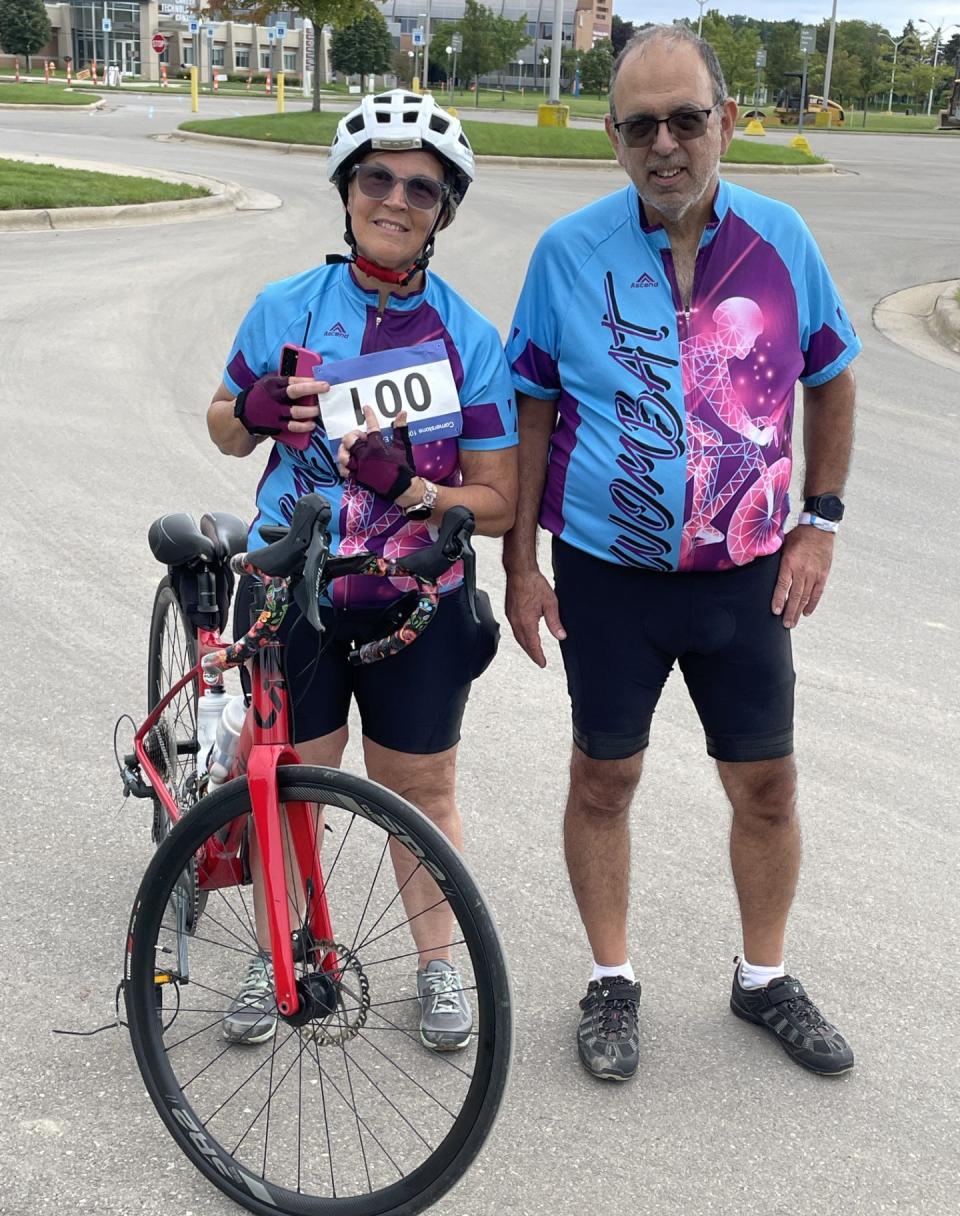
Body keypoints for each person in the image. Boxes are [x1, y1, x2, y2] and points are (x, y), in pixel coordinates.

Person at [503, 26, 859, 1082]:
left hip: (746, 575)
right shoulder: (568, 252)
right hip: (608, 578)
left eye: (687, 119)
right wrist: (519, 563)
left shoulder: (784, 238)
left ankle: (763, 978)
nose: (666, 142)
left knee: (770, 788)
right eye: (642, 124)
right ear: (614, 138)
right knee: (603, 776)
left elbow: (831, 372)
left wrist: (821, 521)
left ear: (727, 123)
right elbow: (529, 408)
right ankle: (611, 978)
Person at [206, 90, 518, 1050]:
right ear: (347, 192)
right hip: (296, 584)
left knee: (419, 789)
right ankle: (282, 956)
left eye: (421, 188)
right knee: (297, 782)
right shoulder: (286, 306)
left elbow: (499, 500)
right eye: (377, 178)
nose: (397, 199)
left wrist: (420, 490)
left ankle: (437, 969)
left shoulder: (468, 338)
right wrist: (253, 410)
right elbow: (221, 426)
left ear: (444, 211)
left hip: (416, 596)